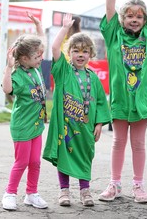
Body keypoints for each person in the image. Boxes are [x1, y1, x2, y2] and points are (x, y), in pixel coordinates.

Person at [97, 0, 147, 204]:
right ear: (122, 19)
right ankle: (114, 184)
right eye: (129, 16)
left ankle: (138, 185)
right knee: (117, 142)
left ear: (145, 21)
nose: (134, 19)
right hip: (119, 100)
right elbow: (109, 8)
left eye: (139, 16)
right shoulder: (114, 34)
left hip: (141, 101)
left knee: (138, 143)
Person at [43, 13, 110, 207]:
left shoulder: (94, 78)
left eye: (85, 51)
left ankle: (85, 190)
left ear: (91, 54)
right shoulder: (63, 70)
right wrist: (64, 28)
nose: (80, 55)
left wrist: (99, 123)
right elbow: (54, 47)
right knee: (64, 156)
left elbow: (99, 102)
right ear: (69, 53)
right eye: (75, 51)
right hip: (66, 127)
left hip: (86, 129)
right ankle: (64, 191)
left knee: (84, 157)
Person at [1, 12, 48, 211]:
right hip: (22, 126)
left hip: (36, 125)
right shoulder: (18, 74)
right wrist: (8, 67)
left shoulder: (35, 68)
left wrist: (39, 26)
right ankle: (10, 193)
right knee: (21, 162)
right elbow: (6, 89)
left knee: (35, 162)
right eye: (37, 56)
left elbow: (41, 43)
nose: (41, 58)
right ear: (23, 58)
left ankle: (31, 193)